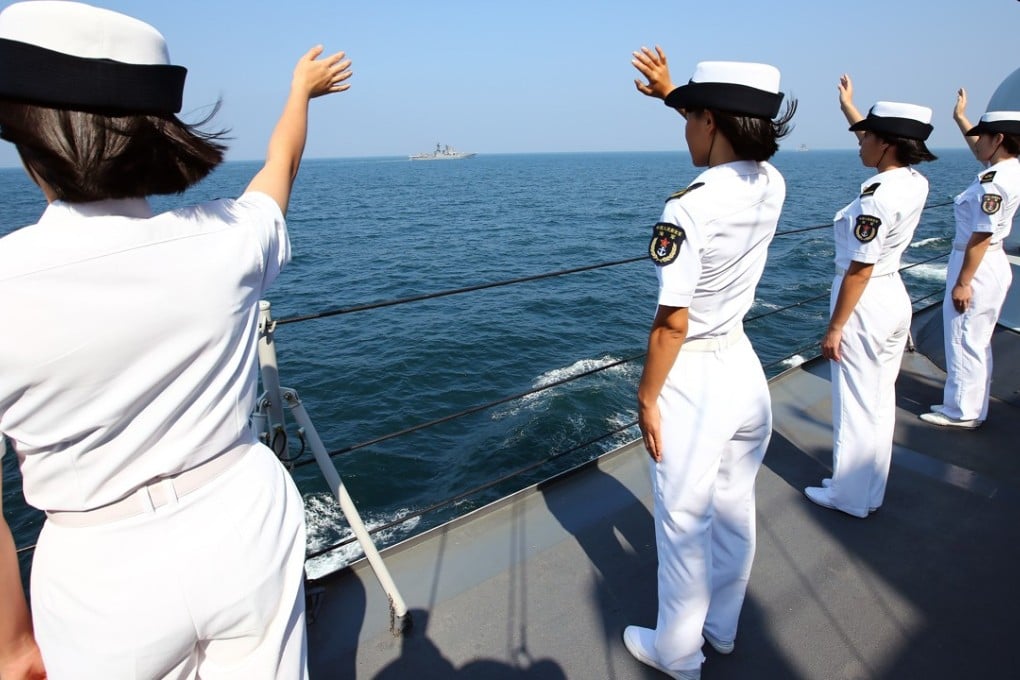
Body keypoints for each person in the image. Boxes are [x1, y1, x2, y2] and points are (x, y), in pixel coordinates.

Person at [0, 2, 351, 678]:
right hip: (243, 515)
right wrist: (299, 94)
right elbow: (277, 172)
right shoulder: (224, 240)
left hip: (97, 569)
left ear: (28, 139)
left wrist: (14, 643)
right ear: (156, 136)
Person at [628, 46, 795, 680]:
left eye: (692, 115)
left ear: (713, 123)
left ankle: (677, 652)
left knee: (682, 523)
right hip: (744, 371)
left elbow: (672, 323)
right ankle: (721, 628)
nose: (686, 126)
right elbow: (731, 143)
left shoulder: (687, 207)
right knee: (733, 507)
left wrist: (647, 397)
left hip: (693, 377)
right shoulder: (773, 182)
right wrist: (677, 93)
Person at [804, 77, 936, 518]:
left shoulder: (874, 200)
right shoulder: (913, 180)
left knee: (856, 403)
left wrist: (836, 326)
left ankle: (849, 496)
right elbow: (872, 138)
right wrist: (849, 106)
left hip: (863, 301)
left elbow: (859, 268)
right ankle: (868, 488)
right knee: (880, 399)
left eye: (868, 137)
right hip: (893, 294)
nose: (860, 144)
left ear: (888, 144)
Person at [919, 91, 1020, 428]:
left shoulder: (993, 183)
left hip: (976, 264)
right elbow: (981, 150)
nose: (978, 143)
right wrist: (961, 117)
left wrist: (963, 281)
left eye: (984, 136)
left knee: (963, 338)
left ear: (999, 139)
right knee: (977, 339)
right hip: (991, 263)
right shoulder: (1009, 170)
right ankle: (972, 405)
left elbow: (981, 233)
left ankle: (961, 411)